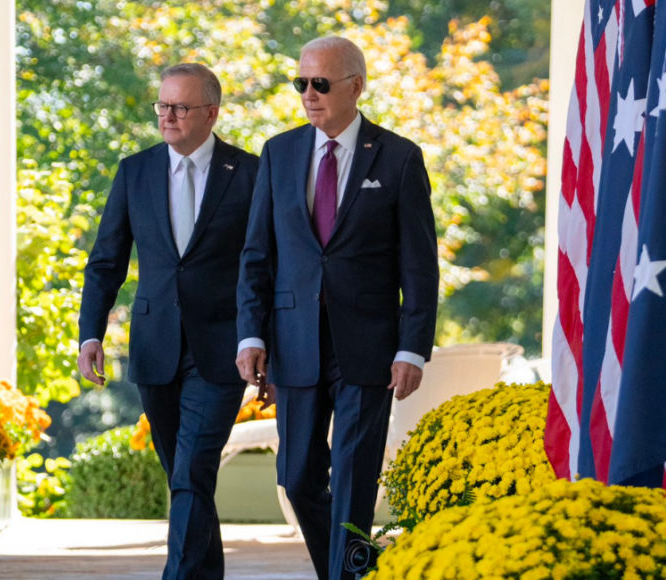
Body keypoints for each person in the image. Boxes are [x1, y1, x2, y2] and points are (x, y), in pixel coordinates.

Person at [235, 36, 438, 579]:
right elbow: (257, 255)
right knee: (297, 476)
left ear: (356, 86)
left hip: (369, 347)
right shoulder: (278, 153)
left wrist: (412, 347)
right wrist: (250, 335)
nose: (308, 93)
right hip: (293, 342)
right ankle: (353, 569)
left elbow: (419, 265)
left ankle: (347, 576)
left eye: (320, 83)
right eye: (300, 83)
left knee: (353, 475)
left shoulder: (398, 157)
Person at [77, 63, 258, 580]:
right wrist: (92, 331)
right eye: (162, 106)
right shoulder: (135, 171)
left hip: (222, 349)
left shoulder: (247, 173)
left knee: (192, 470)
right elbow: (106, 260)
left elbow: (264, 263)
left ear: (211, 112)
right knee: (187, 479)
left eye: (180, 107)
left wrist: (262, 338)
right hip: (155, 348)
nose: (168, 117)